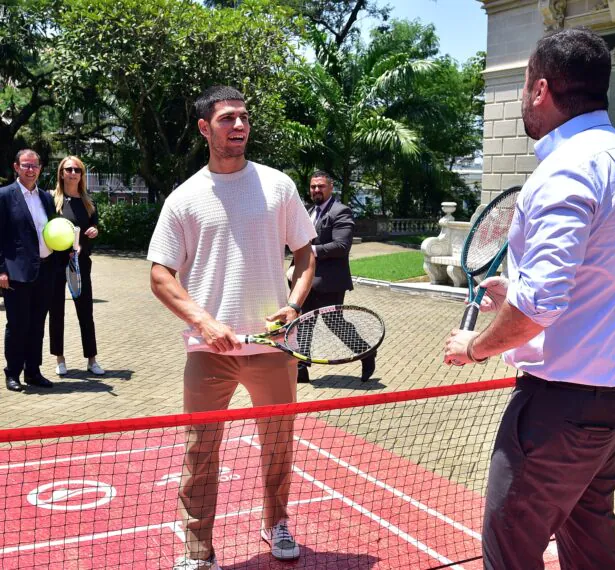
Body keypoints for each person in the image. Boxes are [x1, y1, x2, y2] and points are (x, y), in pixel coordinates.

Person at [443, 27, 615, 570]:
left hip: (563, 405)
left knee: (509, 547)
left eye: (523, 86)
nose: (523, 97)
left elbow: (540, 307)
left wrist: (474, 347)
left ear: (540, 89)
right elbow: (594, 278)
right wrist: (512, 294)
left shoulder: (563, 169)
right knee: (589, 542)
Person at [147, 85, 316, 570]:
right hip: (208, 351)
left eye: (243, 117)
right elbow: (160, 274)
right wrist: (204, 322)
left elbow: (305, 253)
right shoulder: (184, 198)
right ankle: (198, 552)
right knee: (200, 452)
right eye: (227, 119)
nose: (238, 126)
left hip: (272, 347)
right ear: (205, 128)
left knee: (278, 446)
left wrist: (294, 304)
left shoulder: (278, 186)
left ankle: (276, 522)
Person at [293, 170, 375, 384]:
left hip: (330, 281)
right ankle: (301, 368)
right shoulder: (308, 210)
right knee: (303, 322)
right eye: (313, 186)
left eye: (320, 186)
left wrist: (309, 251)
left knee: (335, 323)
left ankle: (365, 353)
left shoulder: (341, 211)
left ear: (330, 188)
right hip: (306, 279)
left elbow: (341, 246)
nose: (316, 190)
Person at [0, 149, 57, 392]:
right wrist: (1, 270)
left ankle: (33, 371)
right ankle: (13, 373)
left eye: (34, 165)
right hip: (16, 273)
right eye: (25, 165)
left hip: (44, 271)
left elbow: (53, 231)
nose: (30, 169)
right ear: (16, 167)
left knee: (37, 324)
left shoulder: (45, 198)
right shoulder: (4, 196)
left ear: (40, 168)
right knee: (18, 324)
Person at [48, 156, 105, 376]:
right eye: (68, 169)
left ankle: (92, 360)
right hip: (56, 262)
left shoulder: (88, 202)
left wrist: (93, 232)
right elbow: (47, 231)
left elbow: (92, 228)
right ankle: (60, 359)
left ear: (81, 174)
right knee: (56, 311)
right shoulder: (52, 200)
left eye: (77, 169)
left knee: (85, 311)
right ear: (61, 173)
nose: (73, 173)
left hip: (80, 263)